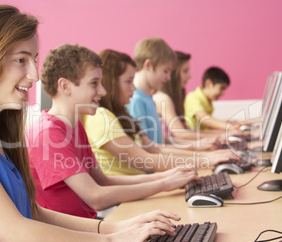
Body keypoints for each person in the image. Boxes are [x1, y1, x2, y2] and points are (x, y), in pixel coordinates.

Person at [0, 4, 188, 242]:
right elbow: (14, 235)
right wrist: (115, 241)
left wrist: (118, 229)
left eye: (34, 61)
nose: (34, 75)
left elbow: (33, 213)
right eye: (21, 60)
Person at [26, 44, 202, 221]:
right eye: (94, 83)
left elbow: (103, 181)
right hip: (68, 236)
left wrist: (167, 176)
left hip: (88, 224)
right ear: (65, 86)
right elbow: (96, 197)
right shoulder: (48, 133)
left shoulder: (74, 126)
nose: (102, 91)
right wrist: (164, 184)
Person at [83, 49, 240, 176]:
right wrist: (203, 159)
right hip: (124, 203)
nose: (133, 87)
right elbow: (146, 159)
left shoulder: (121, 113)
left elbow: (154, 148)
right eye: (128, 81)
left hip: (140, 188)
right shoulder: (101, 117)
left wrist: (203, 156)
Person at [153, 52, 244, 142]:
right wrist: (225, 131)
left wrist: (224, 134)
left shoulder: (172, 100)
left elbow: (189, 131)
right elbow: (181, 134)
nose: (189, 76)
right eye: (185, 71)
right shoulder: (163, 99)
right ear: (173, 74)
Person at [184, 66, 244, 131]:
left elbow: (208, 125)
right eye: (222, 88)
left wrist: (227, 123)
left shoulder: (208, 101)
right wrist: (229, 126)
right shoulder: (193, 97)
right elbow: (205, 119)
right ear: (209, 84)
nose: (223, 93)